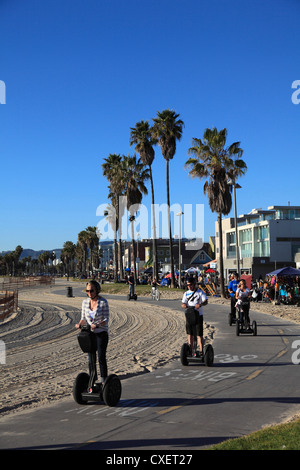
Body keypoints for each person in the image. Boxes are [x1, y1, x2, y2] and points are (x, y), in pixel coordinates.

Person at [75, 280, 109, 390]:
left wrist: (97, 324)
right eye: (87, 291)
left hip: (101, 333)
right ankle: (92, 380)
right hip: (90, 335)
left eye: (91, 291)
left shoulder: (103, 302)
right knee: (91, 358)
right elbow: (83, 318)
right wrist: (79, 324)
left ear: (97, 290)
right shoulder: (85, 302)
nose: (89, 293)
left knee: (101, 357)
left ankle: (103, 380)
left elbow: (106, 319)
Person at [181, 277, 208, 356]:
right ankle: (190, 350)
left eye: (191, 285)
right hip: (189, 315)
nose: (189, 286)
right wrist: (184, 305)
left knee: (199, 334)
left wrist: (200, 304)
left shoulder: (200, 292)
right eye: (188, 285)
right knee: (190, 334)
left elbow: (205, 301)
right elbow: (183, 303)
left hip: (198, 315)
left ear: (194, 284)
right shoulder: (186, 293)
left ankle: (201, 351)